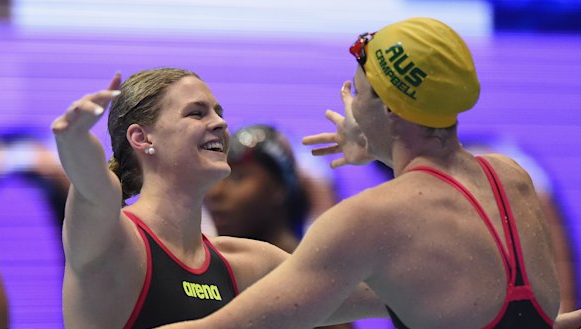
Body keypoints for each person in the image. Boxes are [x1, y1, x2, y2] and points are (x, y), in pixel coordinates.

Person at [156, 18, 580, 329]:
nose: (350, 105)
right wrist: (382, 146)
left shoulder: (370, 219)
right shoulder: (510, 179)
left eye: (356, 92)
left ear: (390, 110)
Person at [51, 68, 382, 329]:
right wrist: (74, 138)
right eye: (197, 113)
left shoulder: (246, 263)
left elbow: (392, 292)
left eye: (218, 112)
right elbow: (93, 187)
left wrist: (384, 148)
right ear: (142, 137)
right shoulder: (112, 242)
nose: (221, 123)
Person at [205, 124, 354, 329]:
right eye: (216, 178)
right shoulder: (206, 269)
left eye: (238, 177)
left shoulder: (314, 279)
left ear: (279, 188)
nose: (215, 193)